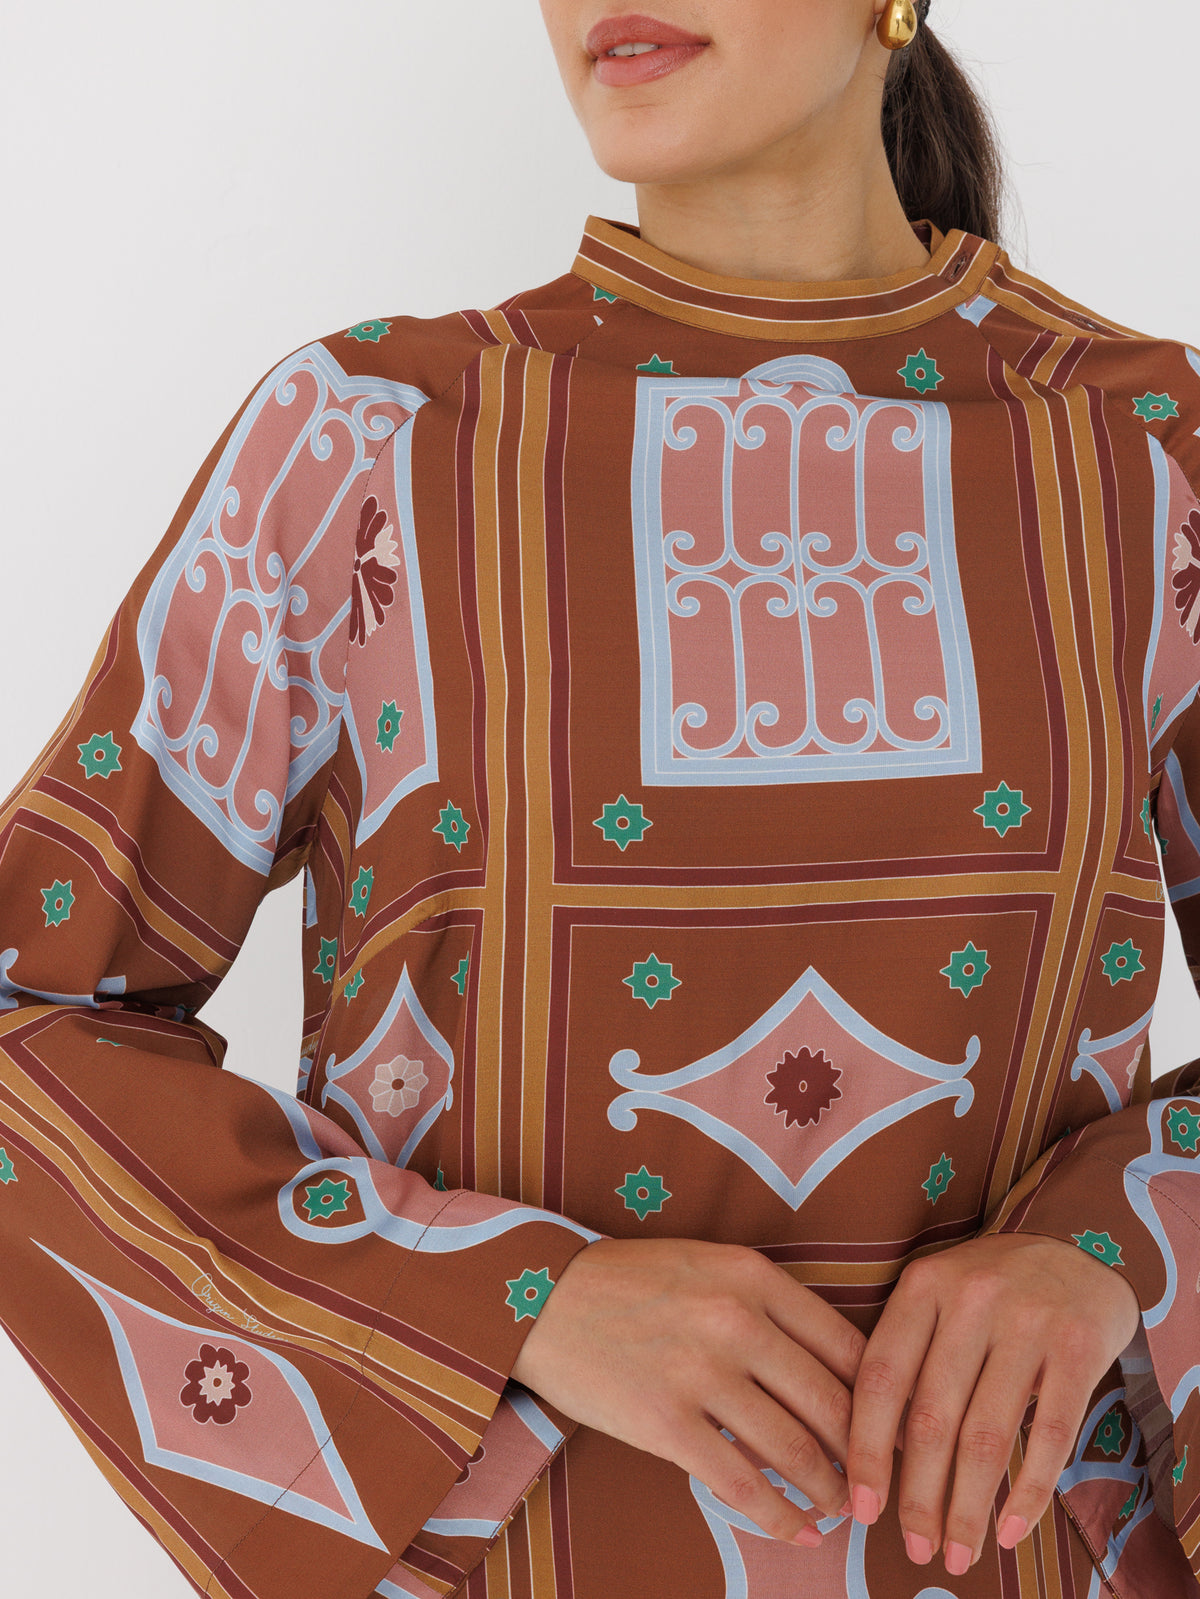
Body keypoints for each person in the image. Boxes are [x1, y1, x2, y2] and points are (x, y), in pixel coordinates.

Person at [1, 0, 1199, 1595]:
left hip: (1019, 1555)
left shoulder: (1147, 454)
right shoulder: (369, 444)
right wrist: (511, 1303)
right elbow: (26, 1017)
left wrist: (1115, 1246)